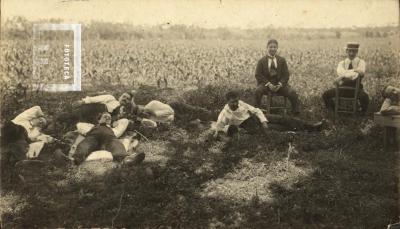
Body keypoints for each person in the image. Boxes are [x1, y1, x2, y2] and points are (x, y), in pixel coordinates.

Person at [214, 91, 324, 138]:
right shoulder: (225, 113)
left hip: (258, 118)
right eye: (232, 102)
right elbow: (219, 126)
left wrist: (263, 121)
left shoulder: (241, 103)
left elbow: (256, 110)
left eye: (236, 101)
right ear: (227, 101)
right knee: (280, 128)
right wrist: (221, 132)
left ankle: (312, 126)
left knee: (284, 119)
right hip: (251, 127)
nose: (235, 103)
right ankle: (305, 132)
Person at [254, 39, 300, 115]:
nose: (272, 49)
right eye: (270, 47)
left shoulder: (282, 60)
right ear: (267, 48)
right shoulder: (261, 61)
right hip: (266, 85)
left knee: (292, 92)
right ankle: (257, 112)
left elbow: (286, 75)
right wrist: (268, 84)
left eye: (275, 47)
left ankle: (295, 113)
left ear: (277, 48)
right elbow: (258, 75)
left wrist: (280, 84)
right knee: (257, 91)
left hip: (279, 85)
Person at [322, 42, 369, 114]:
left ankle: (361, 114)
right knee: (326, 95)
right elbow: (340, 72)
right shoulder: (342, 63)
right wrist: (355, 71)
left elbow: (362, 73)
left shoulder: (361, 62)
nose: (351, 53)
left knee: (365, 97)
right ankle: (334, 110)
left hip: (356, 90)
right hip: (342, 89)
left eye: (354, 51)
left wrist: (342, 76)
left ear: (357, 52)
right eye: (350, 51)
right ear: (346, 51)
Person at [57, 92, 134, 128]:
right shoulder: (111, 98)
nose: (125, 99)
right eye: (124, 96)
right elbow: (97, 99)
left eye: (128, 99)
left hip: (96, 118)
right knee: (69, 116)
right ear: (120, 96)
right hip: (92, 109)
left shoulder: (121, 111)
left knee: (75, 124)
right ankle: (55, 121)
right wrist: (83, 101)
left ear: (129, 102)